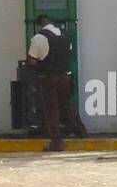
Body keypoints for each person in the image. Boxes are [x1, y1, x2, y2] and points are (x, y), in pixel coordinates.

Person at [26, 14, 87, 151]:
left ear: (39, 25)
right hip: (65, 76)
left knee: (51, 109)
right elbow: (69, 53)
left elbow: (31, 61)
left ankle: (57, 142)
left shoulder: (38, 38)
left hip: (48, 78)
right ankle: (80, 130)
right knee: (67, 104)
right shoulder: (64, 35)